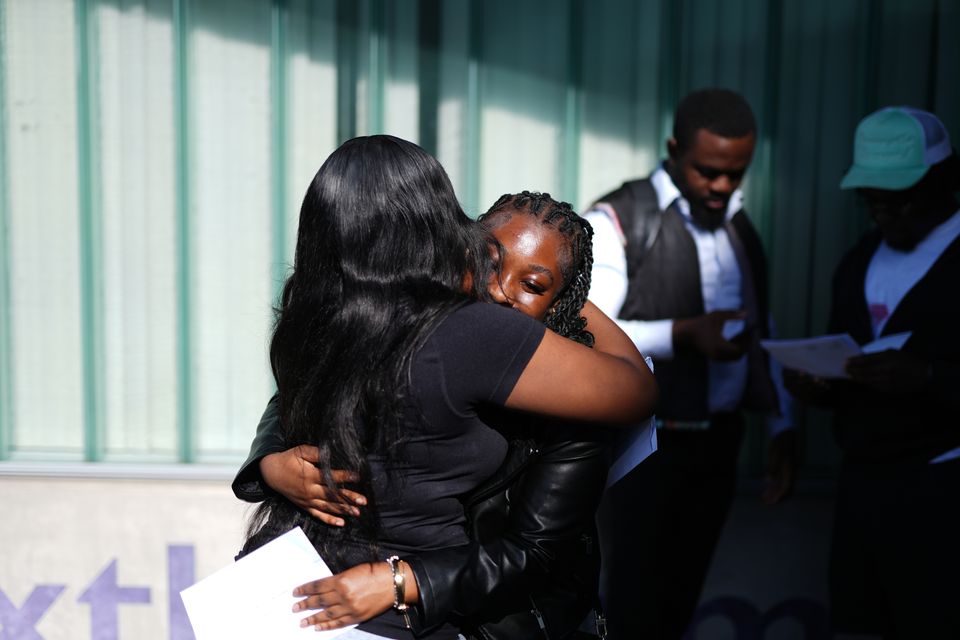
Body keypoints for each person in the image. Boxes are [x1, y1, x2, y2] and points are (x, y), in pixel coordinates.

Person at [240, 136, 658, 640]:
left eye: (532, 283)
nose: (499, 290)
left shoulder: (324, 310)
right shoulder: (428, 326)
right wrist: (269, 462)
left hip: (332, 599)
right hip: (321, 593)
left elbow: (534, 551)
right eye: (489, 259)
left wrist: (400, 581)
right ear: (446, 231)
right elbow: (300, 395)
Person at [584, 88, 796, 638]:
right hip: (644, 453)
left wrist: (782, 422)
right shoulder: (619, 220)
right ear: (673, 148)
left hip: (720, 444)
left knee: (681, 600)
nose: (723, 186)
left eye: (736, 173)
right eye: (708, 172)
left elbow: (760, 326)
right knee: (634, 602)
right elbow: (586, 336)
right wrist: (682, 335)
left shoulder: (739, 224)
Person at [785, 106, 960, 638]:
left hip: (943, 486)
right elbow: (847, 359)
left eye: (900, 199)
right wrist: (819, 384)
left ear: (945, 180)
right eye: (873, 201)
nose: (886, 215)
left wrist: (929, 376)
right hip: (863, 483)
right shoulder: (859, 259)